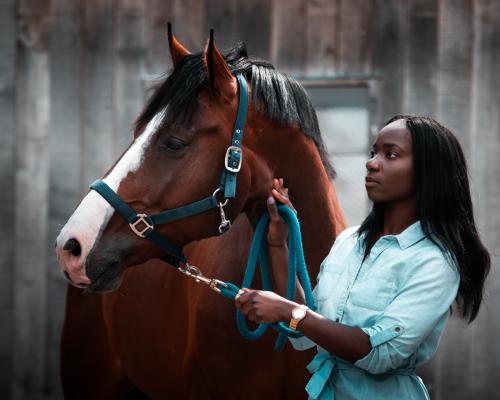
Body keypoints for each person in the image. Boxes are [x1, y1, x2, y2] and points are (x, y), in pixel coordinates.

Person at [235, 115, 490, 399]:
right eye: (373, 153)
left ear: (428, 172)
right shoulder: (349, 241)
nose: (371, 163)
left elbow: (380, 353)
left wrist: (288, 312)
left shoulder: (435, 261)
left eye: (390, 154)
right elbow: (308, 329)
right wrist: (278, 243)